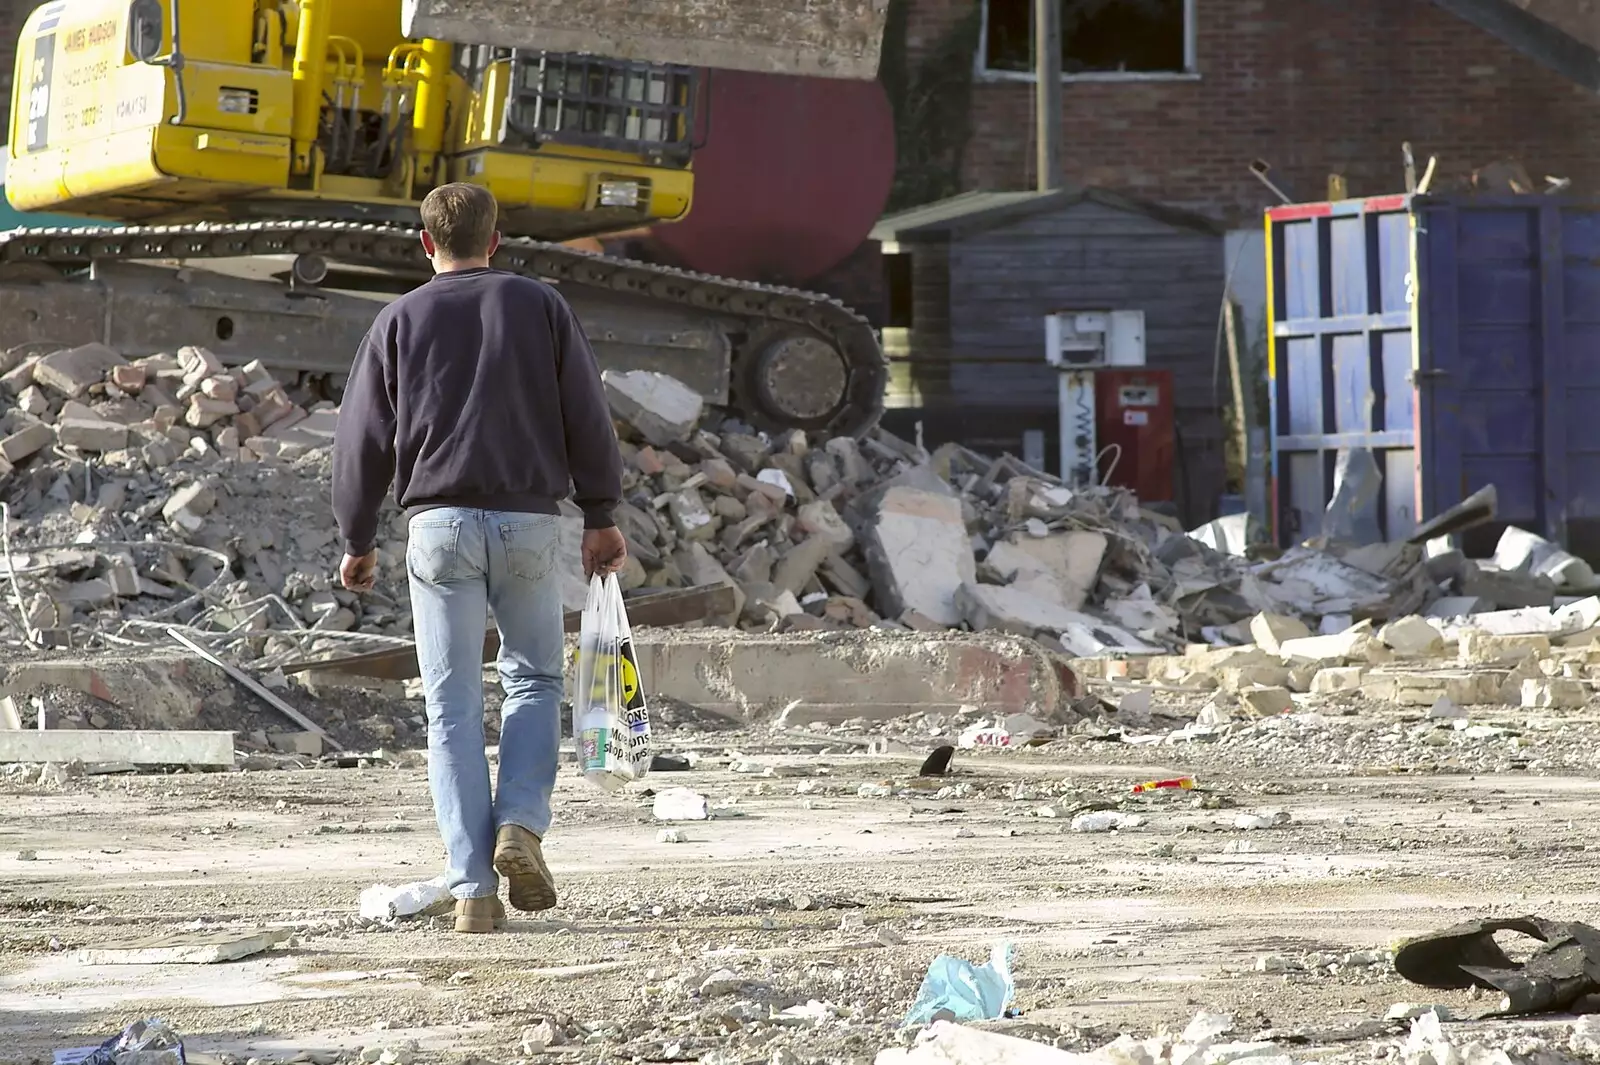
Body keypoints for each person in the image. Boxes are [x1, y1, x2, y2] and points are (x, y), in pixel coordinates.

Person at [332, 183, 627, 934]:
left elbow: (362, 437)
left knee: (451, 705)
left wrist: (357, 538)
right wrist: (600, 513)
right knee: (533, 678)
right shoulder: (542, 306)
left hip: (438, 527)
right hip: (530, 522)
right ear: (498, 241)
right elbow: (585, 414)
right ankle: (520, 822)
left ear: (424, 243)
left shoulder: (398, 319)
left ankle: (472, 891)